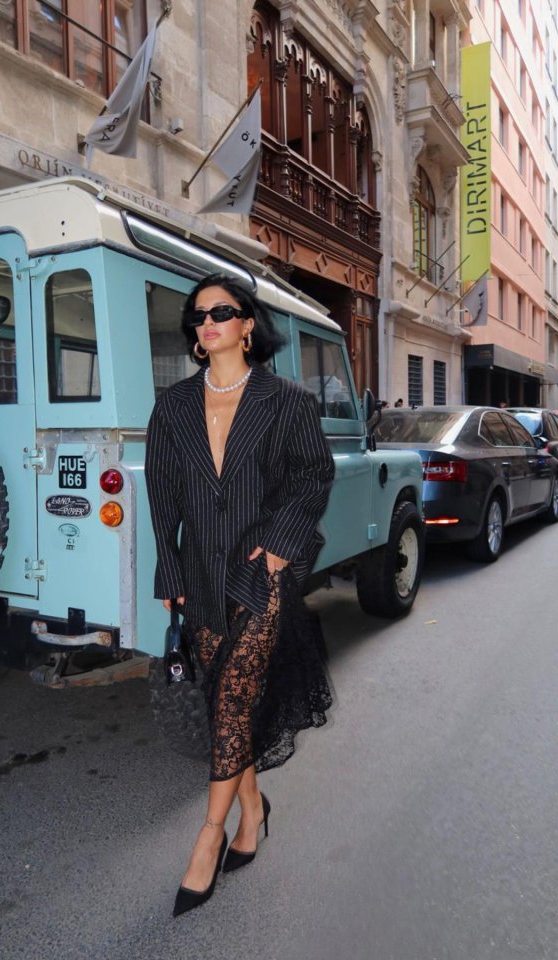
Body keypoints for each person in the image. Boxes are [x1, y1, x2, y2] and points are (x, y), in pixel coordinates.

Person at [145, 273, 334, 917]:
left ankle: (209, 836)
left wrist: (281, 544)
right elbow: (162, 497)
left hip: (260, 570)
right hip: (201, 573)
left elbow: (313, 476)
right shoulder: (172, 406)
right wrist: (168, 572)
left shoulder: (286, 401)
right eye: (198, 316)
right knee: (229, 702)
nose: (208, 322)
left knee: (232, 697)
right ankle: (252, 808)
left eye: (221, 312)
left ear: (247, 324)